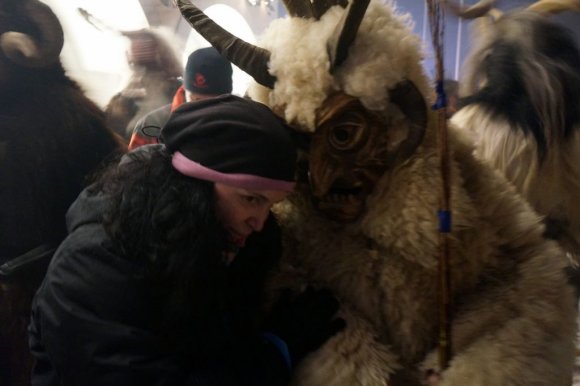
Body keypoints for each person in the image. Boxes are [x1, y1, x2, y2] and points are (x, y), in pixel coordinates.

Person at [28, 95, 345, 386]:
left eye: (270, 205)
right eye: (251, 199)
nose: (260, 222)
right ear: (194, 185)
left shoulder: (212, 243)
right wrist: (274, 354)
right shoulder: (89, 270)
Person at [128, 46, 233, 150]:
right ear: (185, 90)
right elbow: (133, 164)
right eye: (195, 100)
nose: (200, 108)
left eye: (210, 103)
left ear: (224, 98)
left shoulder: (235, 128)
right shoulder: (151, 124)